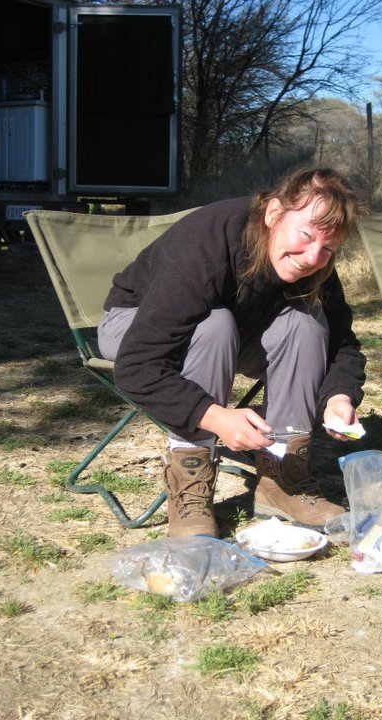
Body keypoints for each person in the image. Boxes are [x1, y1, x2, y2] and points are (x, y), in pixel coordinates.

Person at [98, 167, 366, 538]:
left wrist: (338, 395)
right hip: (135, 328)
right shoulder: (207, 240)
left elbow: (342, 342)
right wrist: (214, 416)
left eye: (329, 249)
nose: (312, 256)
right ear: (274, 213)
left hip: (235, 333)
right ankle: (190, 484)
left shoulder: (315, 263)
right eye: (305, 235)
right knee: (214, 324)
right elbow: (136, 366)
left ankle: (284, 479)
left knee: (304, 322)